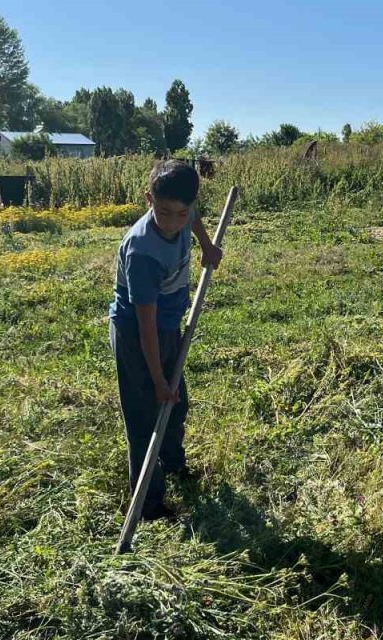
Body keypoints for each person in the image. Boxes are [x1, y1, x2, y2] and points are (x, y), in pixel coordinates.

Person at [109, 160, 221, 521]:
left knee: (177, 404)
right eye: (164, 213)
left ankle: (174, 464)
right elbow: (145, 326)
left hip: (168, 326)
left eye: (181, 213)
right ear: (148, 200)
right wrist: (157, 379)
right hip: (137, 335)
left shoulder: (183, 211)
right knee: (145, 418)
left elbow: (193, 218)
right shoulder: (143, 252)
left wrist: (207, 246)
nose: (174, 222)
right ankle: (150, 505)